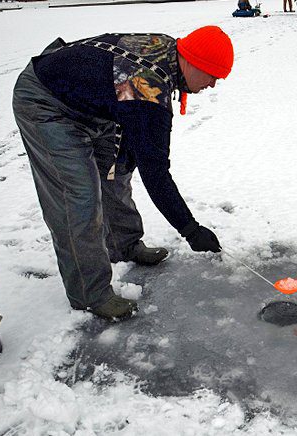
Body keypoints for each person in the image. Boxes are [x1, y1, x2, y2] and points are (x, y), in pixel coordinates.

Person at [12, 26, 232, 321]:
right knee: (79, 197)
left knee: (117, 169)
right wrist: (190, 229)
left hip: (90, 103)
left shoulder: (167, 50)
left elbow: (132, 119)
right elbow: (156, 173)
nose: (213, 84)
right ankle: (90, 293)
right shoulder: (147, 88)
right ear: (191, 61)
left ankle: (124, 244)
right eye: (212, 75)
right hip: (46, 101)